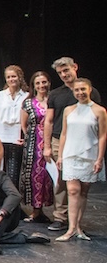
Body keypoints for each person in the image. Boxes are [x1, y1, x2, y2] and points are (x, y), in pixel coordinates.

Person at [42, 57, 102, 233]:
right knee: (61, 181)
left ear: (75, 67)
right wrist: (47, 145)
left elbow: (97, 120)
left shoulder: (91, 91)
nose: (64, 74)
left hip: (84, 142)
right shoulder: (55, 94)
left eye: (66, 70)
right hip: (59, 140)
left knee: (81, 185)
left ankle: (75, 222)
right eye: (60, 72)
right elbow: (49, 121)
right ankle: (60, 217)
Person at [0, 147, 51, 253]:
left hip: (5, 218)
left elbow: (15, 195)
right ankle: (23, 237)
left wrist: (0, 214)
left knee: (10, 203)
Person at [55, 78, 106, 241]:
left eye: (83, 89)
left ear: (89, 89)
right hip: (70, 153)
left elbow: (102, 136)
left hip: (89, 155)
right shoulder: (68, 110)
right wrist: (60, 155)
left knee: (83, 191)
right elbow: (64, 134)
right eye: (77, 90)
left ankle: (78, 227)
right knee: (72, 190)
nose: (80, 92)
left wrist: (99, 159)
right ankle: (70, 229)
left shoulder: (99, 111)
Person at [20, 71, 53, 219]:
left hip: (52, 141)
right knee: (35, 175)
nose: (41, 85)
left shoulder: (53, 99)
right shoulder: (28, 102)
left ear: (49, 83)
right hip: (34, 143)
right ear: (33, 85)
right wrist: (31, 138)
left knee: (49, 176)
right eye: (38, 83)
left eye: (44, 82)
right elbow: (23, 125)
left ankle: (51, 210)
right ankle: (36, 209)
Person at [0, 64, 28, 182]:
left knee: (13, 170)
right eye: (8, 77)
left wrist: (26, 136)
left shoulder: (26, 96)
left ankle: (12, 192)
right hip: (0, 135)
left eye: (14, 76)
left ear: (19, 77)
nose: (11, 79)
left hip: (17, 136)